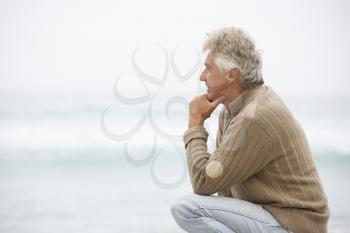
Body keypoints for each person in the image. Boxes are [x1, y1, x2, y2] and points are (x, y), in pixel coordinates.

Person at [170, 27, 330, 233]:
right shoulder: (234, 108)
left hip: (294, 225)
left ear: (231, 74)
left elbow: (203, 182)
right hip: (272, 216)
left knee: (186, 209)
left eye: (208, 68)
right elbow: (223, 187)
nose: (202, 77)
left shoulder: (254, 117)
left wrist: (196, 123)